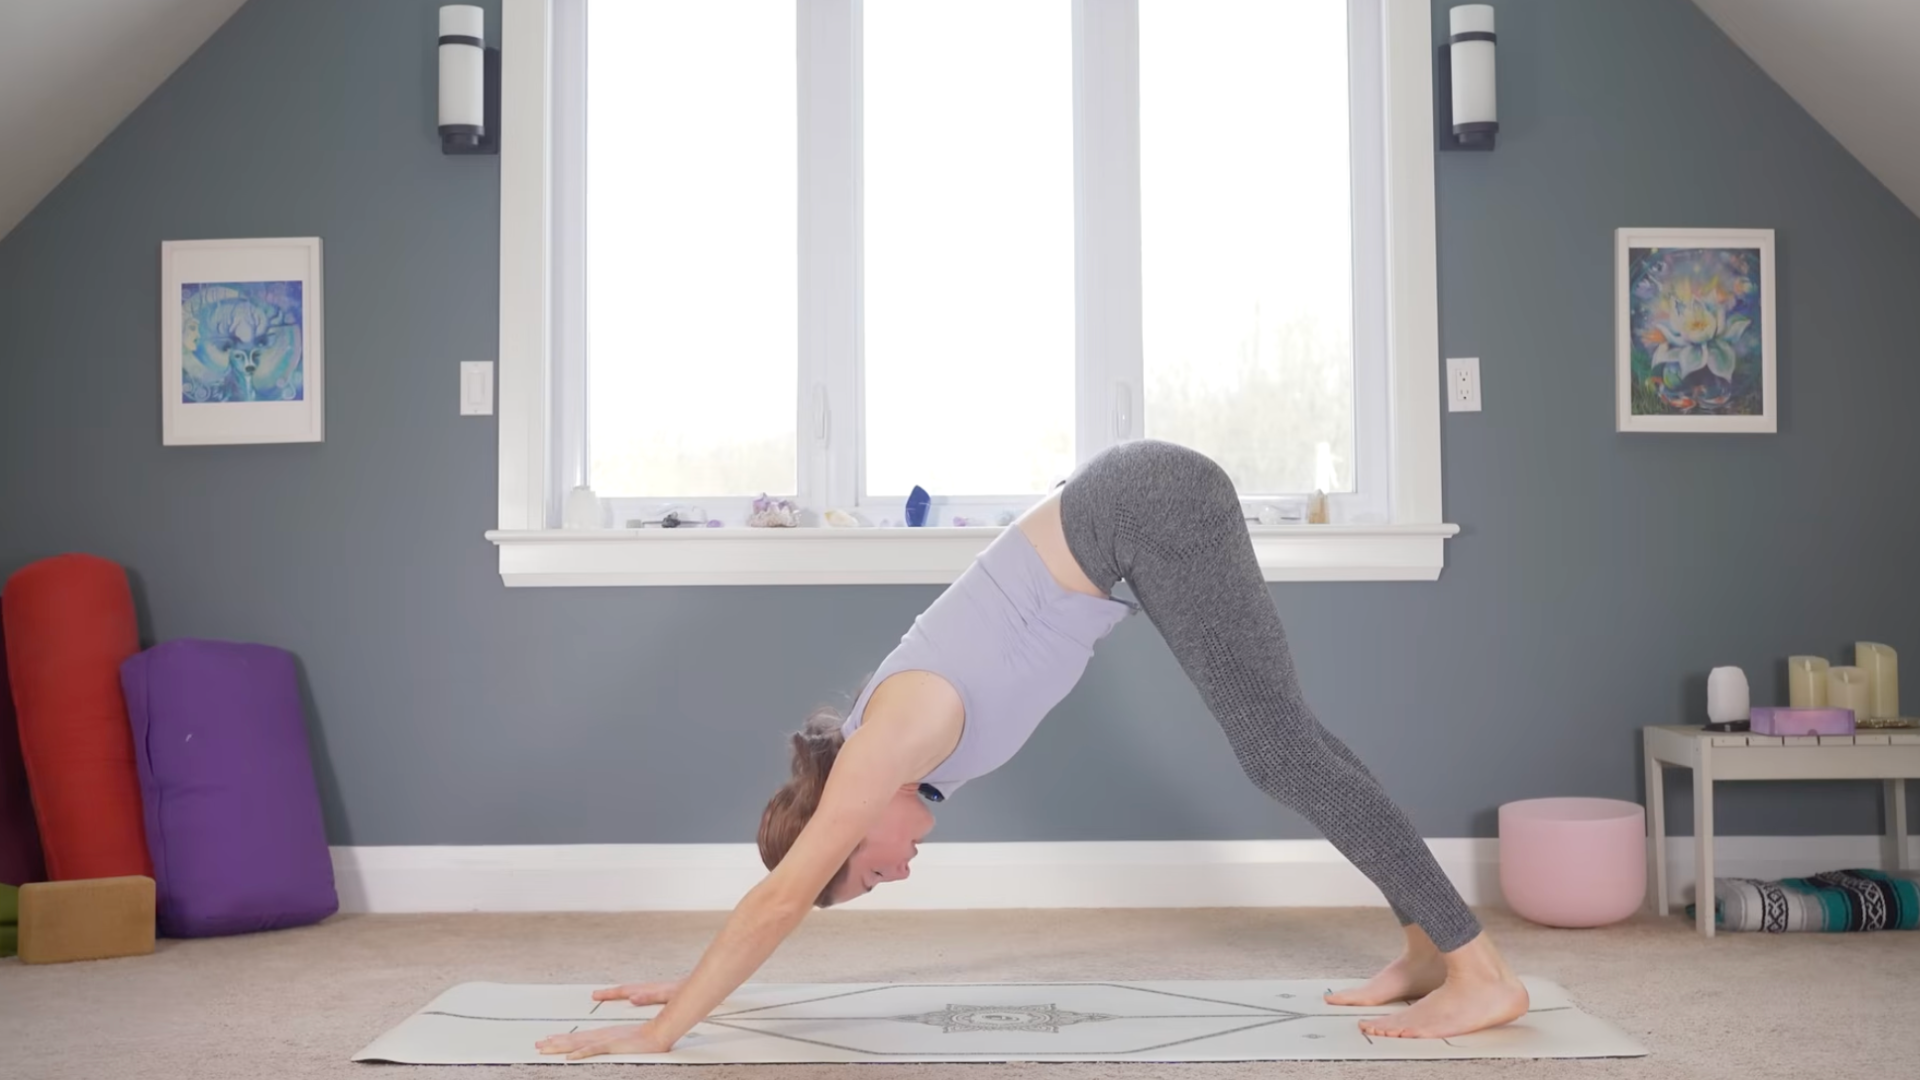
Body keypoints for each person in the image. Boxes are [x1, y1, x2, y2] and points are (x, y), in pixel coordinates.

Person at [537, 440, 1528, 1061]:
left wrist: (662, 1032)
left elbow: (781, 898)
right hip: (1132, 511)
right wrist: (699, 985)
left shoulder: (890, 740)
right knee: (1296, 742)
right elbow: (789, 898)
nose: (896, 874)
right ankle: (1425, 945)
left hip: (1144, 505)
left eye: (870, 874)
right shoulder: (905, 756)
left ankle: (1480, 973)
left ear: (849, 819)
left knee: (1280, 752)